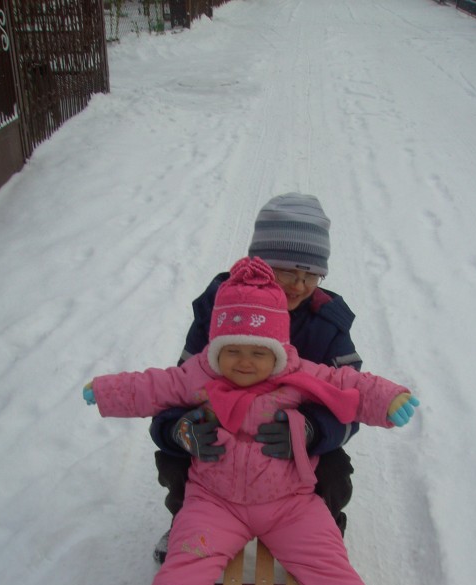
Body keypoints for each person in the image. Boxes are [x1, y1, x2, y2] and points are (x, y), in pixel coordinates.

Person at [83, 258, 420, 585]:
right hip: (215, 501)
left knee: (324, 553)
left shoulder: (298, 374)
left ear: (278, 352)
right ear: (216, 350)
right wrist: (105, 391)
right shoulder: (198, 374)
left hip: (290, 503)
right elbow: (150, 386)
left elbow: (350, 384)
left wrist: (390, 398)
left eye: (258, 352)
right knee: (190, 549)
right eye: (233, 351)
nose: (245, 362)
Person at [151, 193, 361, 564]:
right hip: (223, 434)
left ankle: (324, 531)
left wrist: (313, 431)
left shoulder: (327, 324)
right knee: (175, 459)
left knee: (334, 470)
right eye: (286, 270)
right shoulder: (220, 310)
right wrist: (178, 430)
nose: (299, 284)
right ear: (258, 265)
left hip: (290, 439)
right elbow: (177, 387)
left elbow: (351, 403)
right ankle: (186, 522)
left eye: (311, 273)